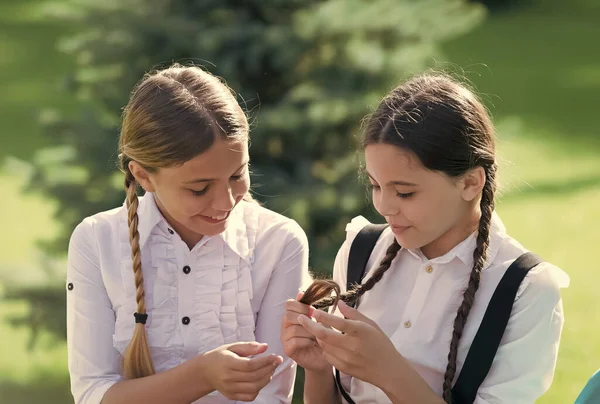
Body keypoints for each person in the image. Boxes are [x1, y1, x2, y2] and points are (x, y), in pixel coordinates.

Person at [281, 72, 570, 403]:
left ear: (470, 183)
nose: (384, 207)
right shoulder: (361, 250)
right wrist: (319, 369)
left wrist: (389, 372)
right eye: (375, 185)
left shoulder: (526, 289)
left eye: (404, 193)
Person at [66, 64, 309, 404]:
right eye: (199, 189)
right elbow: (93, 393)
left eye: (237, 175)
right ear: (143, 176)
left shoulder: (279, 242)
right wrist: (202, 375)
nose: (225, 202)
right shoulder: (96, 240)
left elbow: (271, 396)